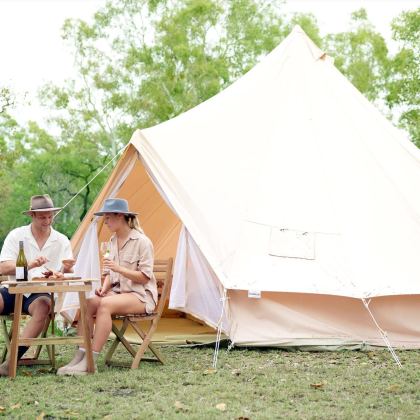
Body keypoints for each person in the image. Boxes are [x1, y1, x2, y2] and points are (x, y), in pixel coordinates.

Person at [58, 198, 156, 375]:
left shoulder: (142, 242)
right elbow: (110, 274)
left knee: (105, 305)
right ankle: (80, 356)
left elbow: (143, 278)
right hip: (118, 293)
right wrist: (104, 287)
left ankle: (91, 362)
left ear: (120, 216)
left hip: (140, 296)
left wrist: (119, 268)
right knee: (87, 303)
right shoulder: (111, 241)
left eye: (108, 217)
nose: (106, 221)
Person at [0, 194, 75, 376]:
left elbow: (67, 271)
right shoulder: (17, 235)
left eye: (50, 216)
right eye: (42, 217)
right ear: (32, 215)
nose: (47, 221)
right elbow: (2, 267)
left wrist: (65, 270)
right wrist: (29, 264)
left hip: (41, 293)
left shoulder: (62, 240)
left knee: (43, 307)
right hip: (14, 289)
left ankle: (11, 362)